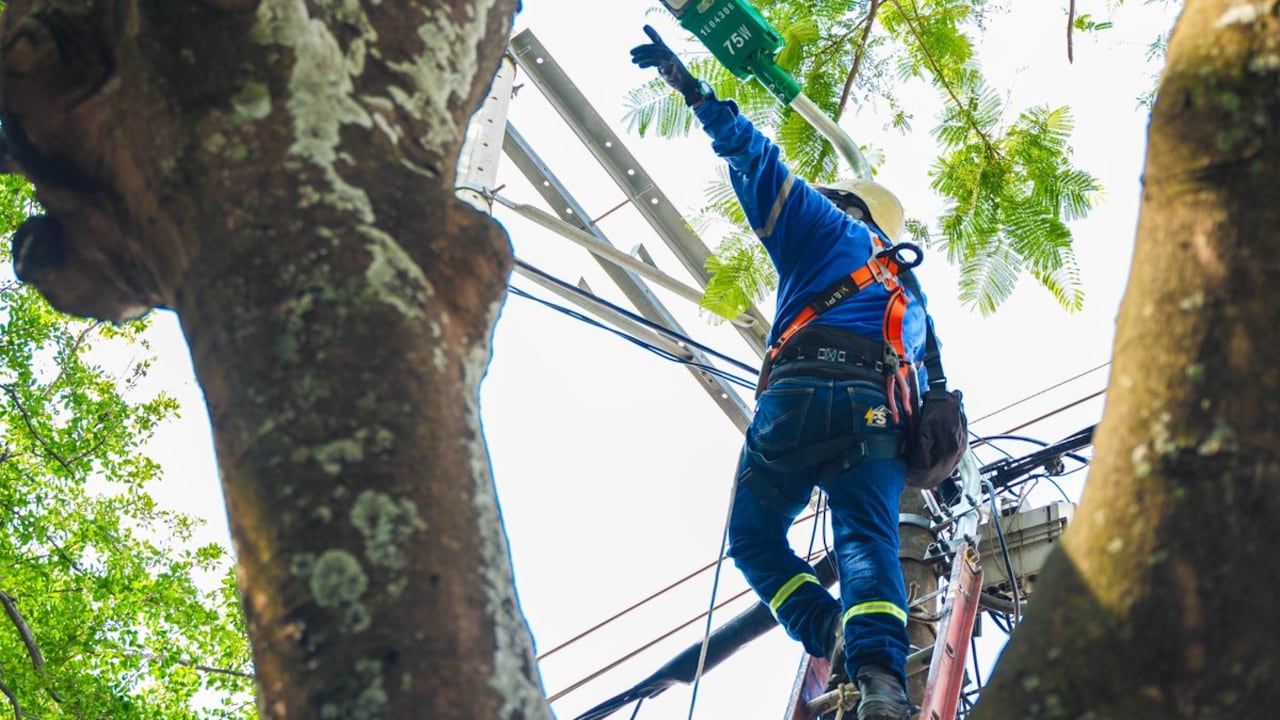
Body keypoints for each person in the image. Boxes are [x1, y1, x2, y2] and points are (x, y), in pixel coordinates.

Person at [632, 26, 937, 720]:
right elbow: (928, 390)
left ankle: (828, 632)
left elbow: (754, 157)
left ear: (846, 202)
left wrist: (694, 91)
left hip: (799, 404)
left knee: (755, 539)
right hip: (879, 426)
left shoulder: (824, 227)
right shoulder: (913, 294)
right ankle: (883, 684)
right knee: (868, 543)